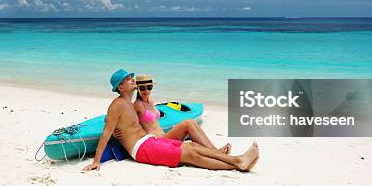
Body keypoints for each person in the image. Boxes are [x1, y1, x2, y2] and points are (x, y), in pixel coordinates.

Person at [82, 69, 259, 172]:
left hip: (149, 142)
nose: (132, 80)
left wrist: (117, 130)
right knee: (190, 155)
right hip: (142, 149)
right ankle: (237, 163)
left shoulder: (126, 103)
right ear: (120, 87)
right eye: (128, 79)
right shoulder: (118, 104)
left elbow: (121, 124)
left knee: (193, 147)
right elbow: (106, 130)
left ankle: (237, 160)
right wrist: (96, 162)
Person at [133, 74, 231, 154]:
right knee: (188, 123)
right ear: (137, 89)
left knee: (191, 122)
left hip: (164, 136)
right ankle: (216, 152)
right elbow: (126, 121)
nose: (146, 91)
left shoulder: (150, 102)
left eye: (149, 87)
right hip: (157, 141)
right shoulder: (137, 105)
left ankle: (215, 150)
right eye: (142, 88)